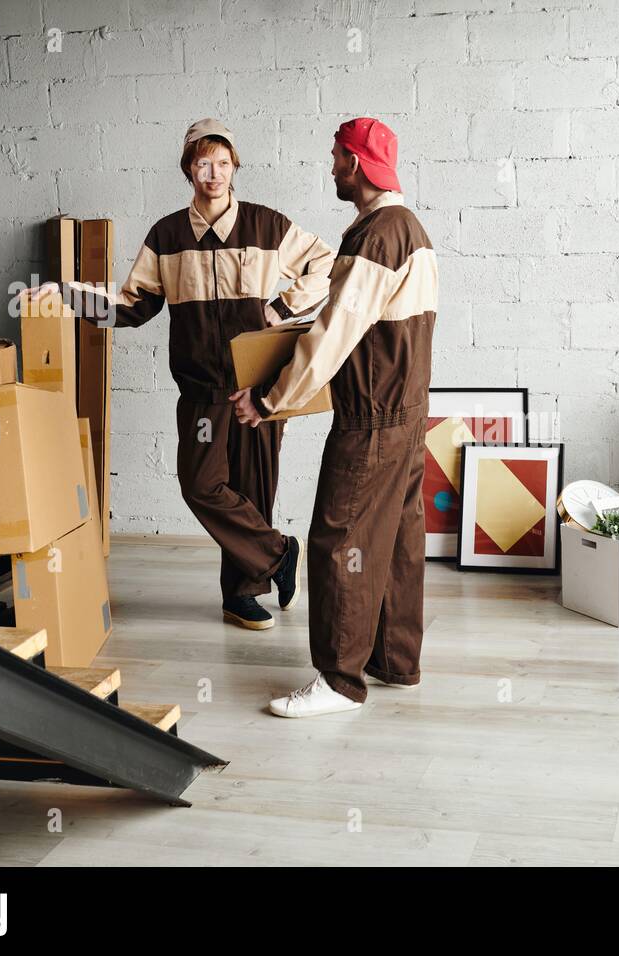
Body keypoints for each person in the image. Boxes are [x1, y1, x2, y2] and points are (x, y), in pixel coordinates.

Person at [23, 119, 335, 631]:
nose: (213, 172)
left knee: (255, 490)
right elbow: (131, 306)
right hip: (201, 389)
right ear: (189, 168)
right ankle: (279, 554)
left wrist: (281, 306)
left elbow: (326, 264)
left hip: (260, 386)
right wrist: (66, 294)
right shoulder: (166, 236)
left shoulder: (267, 226)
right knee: (201, 484)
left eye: (223, 162)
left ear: (235, 167)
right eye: (202, 162)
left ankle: (242, 595)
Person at [230, 118, 437, 718]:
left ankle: (339, 682)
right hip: (407, 412)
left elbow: (333, 336)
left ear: (355, 162)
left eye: (336, 158)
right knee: (398, 538)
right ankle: (395, 660)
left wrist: (271, 400)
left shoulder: (376, 235)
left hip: (371, 419)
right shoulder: (411, 229)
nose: (331, 169)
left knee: (338, 539)